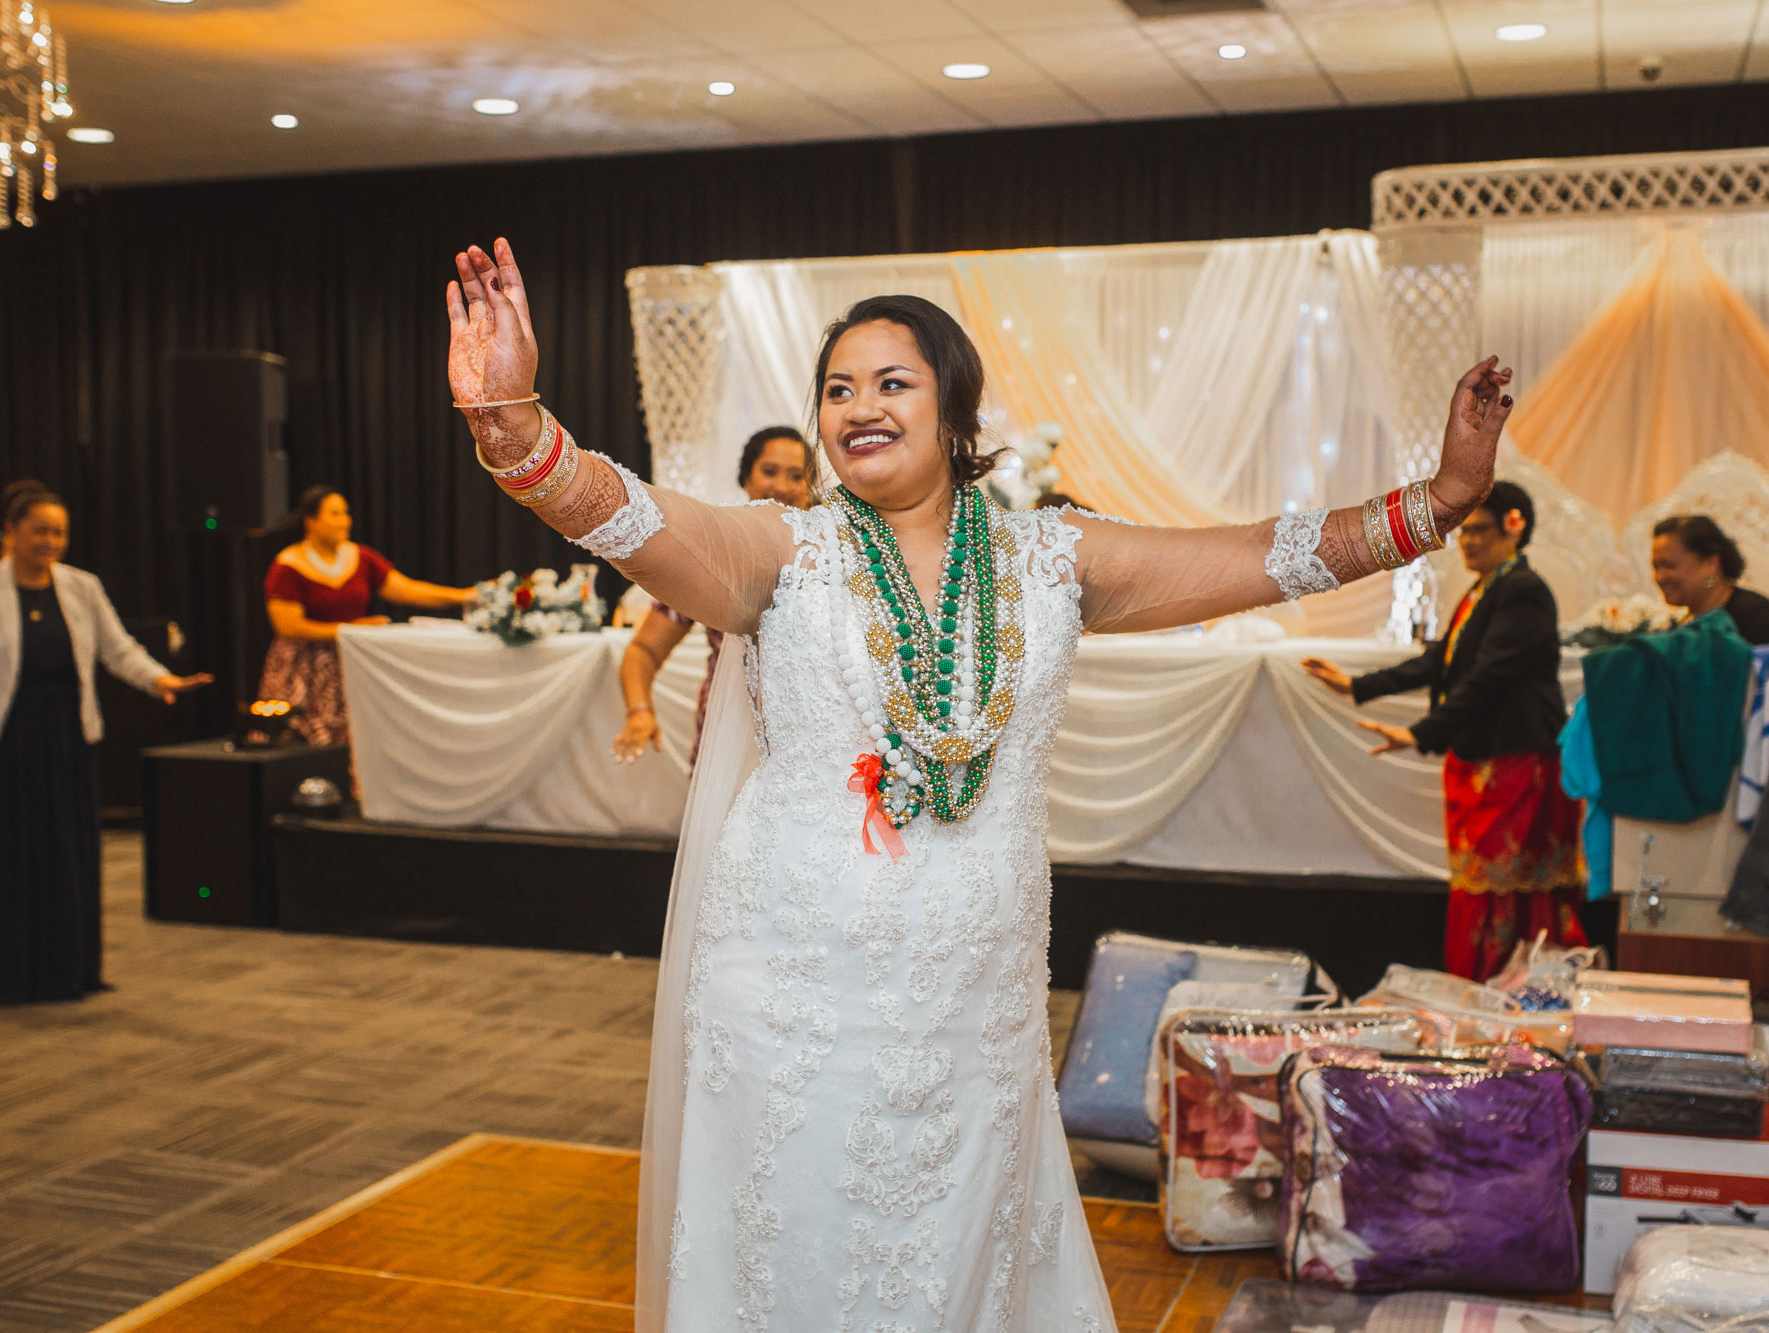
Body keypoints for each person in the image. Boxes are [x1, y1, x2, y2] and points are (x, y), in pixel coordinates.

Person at [444, 236, 1510, 1332]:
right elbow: (625, 518)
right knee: (797, 1249)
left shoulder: (1053, 559)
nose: (858, 404)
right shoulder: (782, 553)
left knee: (959, 1256)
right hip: (794, 989)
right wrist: (515, 424)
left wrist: (1438, 499)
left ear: (954, 408)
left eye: (890, 382)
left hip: (974, 995)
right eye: (836, 388)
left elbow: (1262, 555)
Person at [0, 482, 212, 1003]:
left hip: (63, 741)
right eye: (40, 531)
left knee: (62, 853)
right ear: (11, 532)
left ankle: (64, 969)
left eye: (59, 532)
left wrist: (159, 680)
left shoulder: (82, 587)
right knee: (3, 857)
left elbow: (118, 649)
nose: (51, 541)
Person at [1301, 482, 1585, 982]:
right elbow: (1444, 660)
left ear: (1513, 528)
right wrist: (1356, 685)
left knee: (1505, 893)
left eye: (1479, 531)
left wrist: (1422, 733)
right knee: (1491, 890)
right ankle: (1493, 995)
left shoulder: (1523, 592)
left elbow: (1490, 677)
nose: (1467, 542)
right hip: (1492, 760)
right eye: (1464, 532)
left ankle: (1509, 996)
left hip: (1516, 763)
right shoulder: (1488, 588)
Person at [612, 427, 814, 766]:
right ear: (745, 476)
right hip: (726, 731)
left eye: (796, 476)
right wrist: (639, 711)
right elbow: (644, 651)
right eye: (769, 471)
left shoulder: (831, 553)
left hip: (810, 739)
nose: (781, 486)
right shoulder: (713, 553)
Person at [258, 486, 474, 746]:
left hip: (352, 663)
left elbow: (407, 589)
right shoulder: (289, 566)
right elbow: (288, 627)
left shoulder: (360, 557)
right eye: (335, 514)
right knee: (303, 745)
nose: (345, 521)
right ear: (311, 520)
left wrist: (463, 595)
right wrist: (350, 629)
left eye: (346, 513)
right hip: (305, 672)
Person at [1650, 514, 1769, 646]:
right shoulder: (1678, 627)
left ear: (1711, 563)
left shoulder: (1761, 620)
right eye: (1656, 567)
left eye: (1669, 566)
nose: (1659, 577)